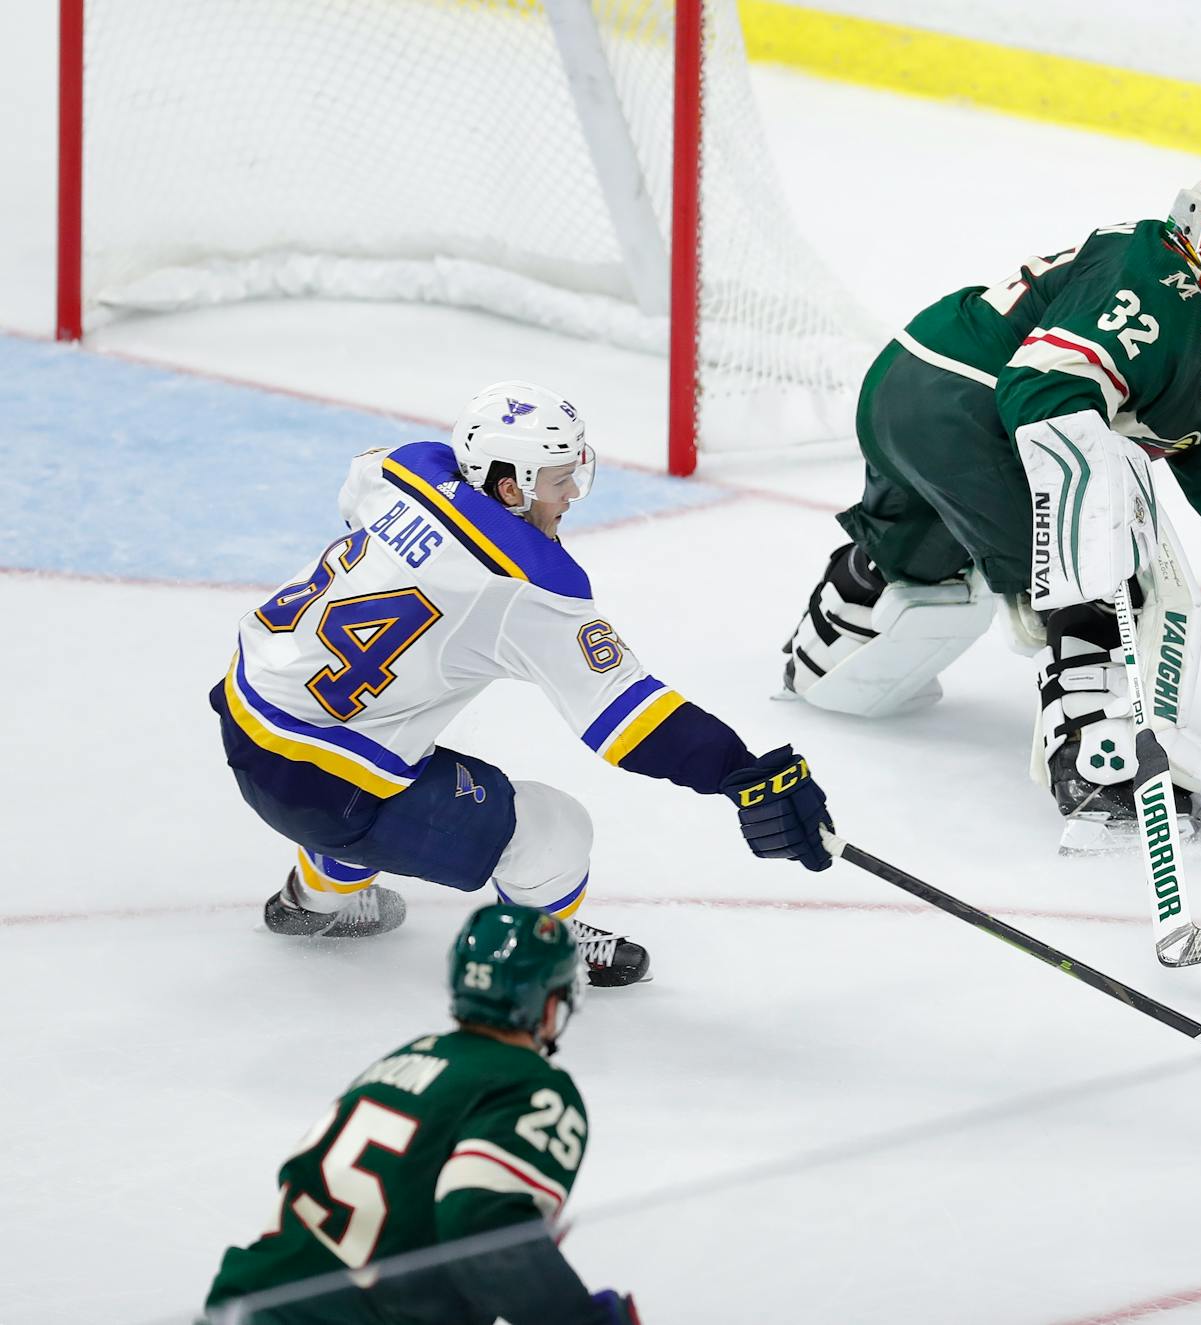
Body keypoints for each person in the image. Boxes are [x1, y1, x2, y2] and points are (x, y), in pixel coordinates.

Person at [779, 165, 1201, 851]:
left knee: (920, 555)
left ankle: (830, 641)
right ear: (1196, 225)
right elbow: (1045, 384)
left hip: (911, 381)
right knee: (1108, 573)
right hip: (964, 402)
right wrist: (1095, 483)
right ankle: (1095, 764)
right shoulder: (1150, 277)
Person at [211, 381, 836, 982]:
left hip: (244, 717)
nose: (570, 496)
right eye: (561, 481)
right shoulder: (525, 586)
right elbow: (631, 719)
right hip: (326, 791)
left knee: (390, 753)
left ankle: (313, 899)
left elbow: (358, 504)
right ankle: (543, 956)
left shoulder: (399, 469)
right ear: (510, 487)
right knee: (553, 829)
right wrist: (742, 773)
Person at [204, 904, 640, 1325]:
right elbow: (484, 1226)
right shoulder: (533, 1085)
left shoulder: (407, 1058)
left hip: (242, 1305)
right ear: (548, 1005)